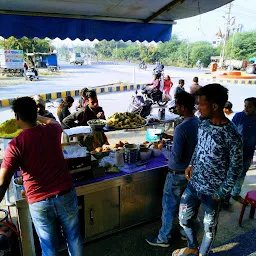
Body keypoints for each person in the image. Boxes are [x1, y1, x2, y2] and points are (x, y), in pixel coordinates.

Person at [0, 97, 84, 256]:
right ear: (35, 113)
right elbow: (52, 121)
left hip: (39, 202)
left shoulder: (15, 145)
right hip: (66, 194)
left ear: (17, 116)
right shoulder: (52, 130)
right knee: (74, 238)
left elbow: (2, 182)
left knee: (49, 247)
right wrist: (37, 116)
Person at [173, 84, 243, 256]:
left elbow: (236, 167)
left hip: (213, 192)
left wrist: (222, 192)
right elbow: (199, 146)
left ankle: (202, 254)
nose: (197, 107)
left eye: (201, 103)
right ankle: (192, 246)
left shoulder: (232, 135)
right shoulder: (203, 123)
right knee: (184, 219)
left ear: (214, 106)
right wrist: (190, 164)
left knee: (209, 228)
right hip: (194, 185)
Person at [146, 91, 199, 248]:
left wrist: (161, 147)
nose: (175, 108)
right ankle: (184, 233)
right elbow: (189, 142)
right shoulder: (196, 122)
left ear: (183, 107)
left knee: (169, 206)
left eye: (176, 105)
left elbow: (174, 158)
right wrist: (171, 138)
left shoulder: (181, 128)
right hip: (191, 173)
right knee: (187, 206)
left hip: (176, 174)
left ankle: (164, 238)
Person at [228, 97, 256, 204]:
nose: (246, 109)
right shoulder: (238, 116)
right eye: (245, 106)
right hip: (234, 152)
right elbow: (230, 131)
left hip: (248, 153)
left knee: (242, 174)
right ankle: (225, 196)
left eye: (249, 107)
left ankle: (235, 194)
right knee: (230, 173)